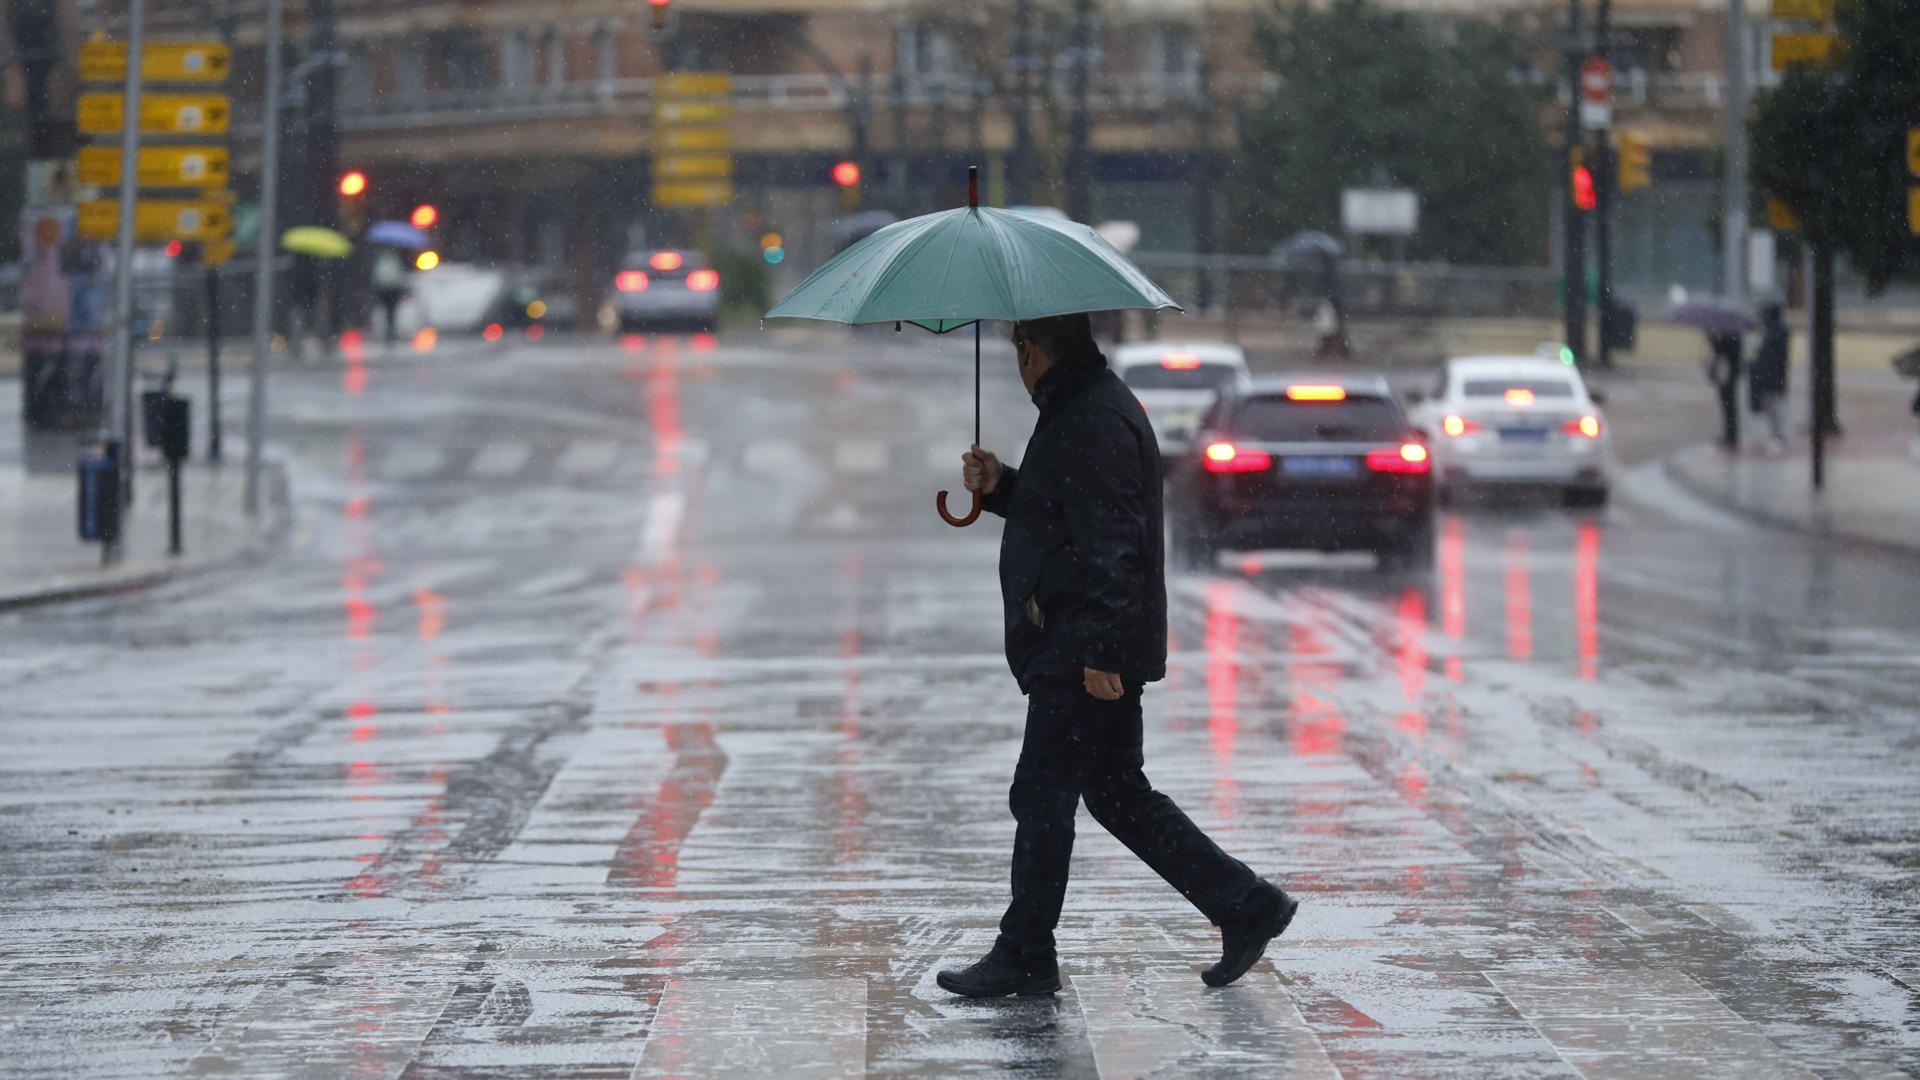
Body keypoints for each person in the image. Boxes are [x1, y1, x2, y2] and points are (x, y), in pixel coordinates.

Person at [938, 312, 1297, 999]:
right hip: (1086, 635)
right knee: (1116, 793)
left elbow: (1113, 544)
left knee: (1043, 792)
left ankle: (1026, 952)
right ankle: (1247, 905)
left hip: (1083, 642)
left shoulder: (1092, 417)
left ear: (1031, 351)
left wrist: (1100, 650)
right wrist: (1001, 486)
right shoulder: (1084, 405)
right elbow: (1064, 512)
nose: (1017, 364)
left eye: (1019, 350)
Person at [1749, 303, 1790, 451]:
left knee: (1777, 408)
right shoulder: (1770, 331)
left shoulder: (1777, 332)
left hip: (1774, 377)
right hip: (1768, 377)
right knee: (1771, 408)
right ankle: (1776, 436)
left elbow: (1771, 356)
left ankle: (1780, 437)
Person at [1707, 330, 1743, 450]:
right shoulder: (1730, 334)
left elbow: (1724, 352)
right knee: (1727, 405)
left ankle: (1731, 436)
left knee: (1729, 406)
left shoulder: (1731, 336)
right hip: (1727, 373)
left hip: (1728, 374)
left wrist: (1713, 340)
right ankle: (1730, 434)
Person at [371, 248, 409, 345]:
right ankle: (391, 331)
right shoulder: (394, 261)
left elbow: (377, 276)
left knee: (388, 311)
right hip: (392, 289)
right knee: (391, 311)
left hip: (385, 290)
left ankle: (389, 331)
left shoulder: (381, 261)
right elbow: (399, 275)